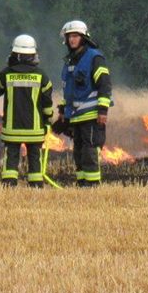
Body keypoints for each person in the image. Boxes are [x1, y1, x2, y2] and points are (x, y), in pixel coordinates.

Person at [0, 35, 53, 187]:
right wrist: (48, 120)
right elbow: (47, 104)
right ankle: (36, 187)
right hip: (34, 129)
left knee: (11, 157)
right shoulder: (42, 76)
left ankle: (9, 184)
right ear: (33, 55)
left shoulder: (5, 74)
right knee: (34, 159)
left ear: (14, 54)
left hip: (13, 128)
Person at [57, 20, 111, 187]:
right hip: (75, 116)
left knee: (89, 150)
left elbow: (104, 85)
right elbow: (68, 91)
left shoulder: (94, 57)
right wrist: (62, 113)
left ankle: (92, 185)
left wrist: (103, 111)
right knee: (78, 151)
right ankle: (82, 183)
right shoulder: (70, 62)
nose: (72, 40)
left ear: (83, 38)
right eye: (69, 37)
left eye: (75, 36)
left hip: (91, 115)